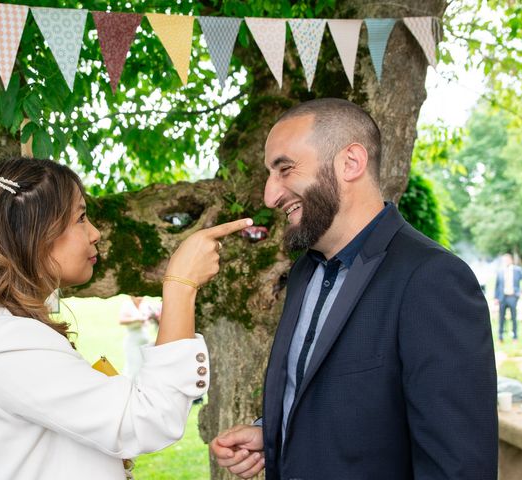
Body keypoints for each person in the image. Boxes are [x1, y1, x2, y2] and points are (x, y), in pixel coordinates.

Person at [210, 98, 497, 479]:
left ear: (351, 163)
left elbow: (459, 467)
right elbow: (337, 398)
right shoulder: (303, 273)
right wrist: (272, 432)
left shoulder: (433, 280)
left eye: (285, 169)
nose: (269, 195)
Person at [0, 157, 252, 480]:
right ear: (34, 233)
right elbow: (148, 419)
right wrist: (180, 285)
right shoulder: (8, 342)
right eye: (80, 218)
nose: (95, 233)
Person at [119, 295, 161, 378]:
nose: (140, 298)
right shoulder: (127, 305)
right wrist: (137, 319)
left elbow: (153, 317)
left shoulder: (145, 305)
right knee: (134, 366)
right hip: (133, 340)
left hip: (145, 340)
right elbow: (121, 320)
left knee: (143, 365)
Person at [494, 253, 522, 342]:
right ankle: (500, 336)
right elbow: (497, 285)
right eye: (504, 260)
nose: (505, 262)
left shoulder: (517, 270)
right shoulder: (500, 271)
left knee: (514, 317)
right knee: (501, 317)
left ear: (511, 260)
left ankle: (515, 336)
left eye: (507, 260)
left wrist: (520, 292)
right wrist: (496, 298)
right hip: (502, 297)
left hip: (513, 297)